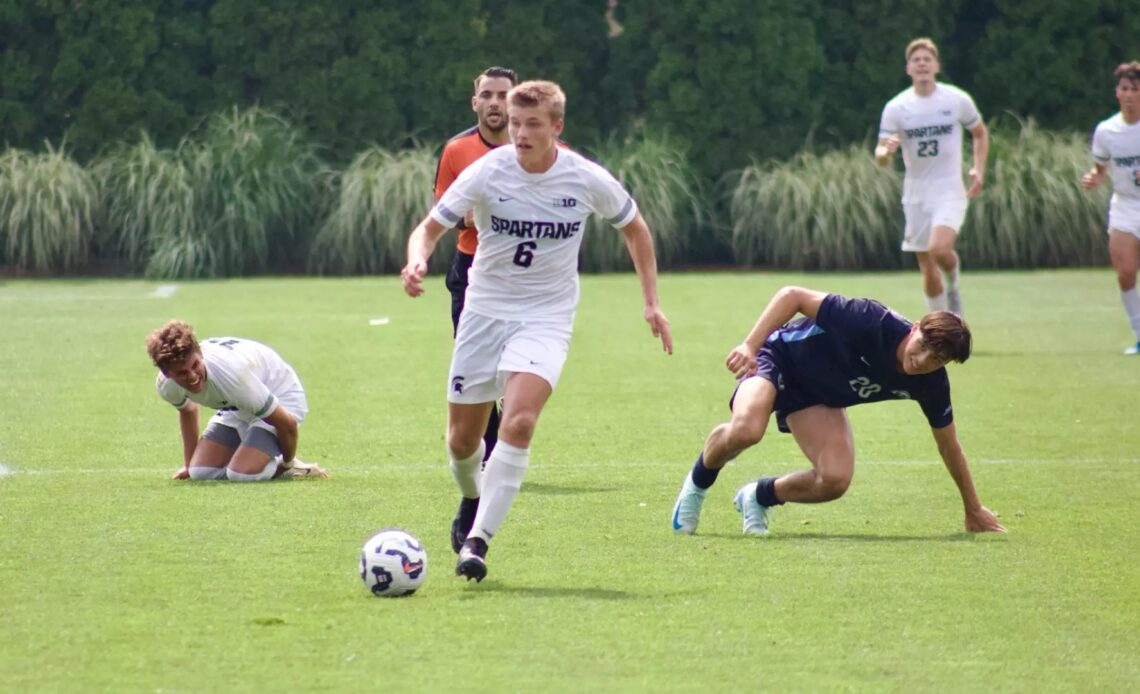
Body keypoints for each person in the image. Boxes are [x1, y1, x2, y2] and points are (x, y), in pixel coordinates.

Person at [402, 80, 673, 582]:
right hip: (484, 312)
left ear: (557, 128)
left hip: (546, 317)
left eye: (531, 124)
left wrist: (651, 303)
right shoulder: (487, 171)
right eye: (514, 121)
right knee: (462, 443)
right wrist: (417, 260)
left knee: (520, 423)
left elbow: (635, 228)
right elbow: (430, 227)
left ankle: (478, 542)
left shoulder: (585, 178)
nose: (519, 132)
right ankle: (471, 496)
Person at [670, 286, 1006, 536]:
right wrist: (750, 345)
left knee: (835, 480)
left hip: (815, 397)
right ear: (914, 328)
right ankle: (697, 485)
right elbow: (793, 296)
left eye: (936, 360)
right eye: (921, 348)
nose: (920, 362)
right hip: (779, 356)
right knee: (746, 431)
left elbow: (949, 445)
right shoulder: (870, 320)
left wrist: (973, 508)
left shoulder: (931, 383)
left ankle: (758, 496)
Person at [434, 66, 518, 551]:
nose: (495, 103)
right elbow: (443, 206)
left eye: (503, 95)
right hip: (470, 272)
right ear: (474, 103)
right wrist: (470, 210)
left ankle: (500, 446)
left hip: (520, 278)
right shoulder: (457, 150)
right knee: (477, 377)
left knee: (515, 376)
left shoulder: (533, 151)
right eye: (486, 95)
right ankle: (484, 463)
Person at [875, 37, 989, 316]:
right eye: (916, 60)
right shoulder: (896, 107)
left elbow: (979, 133)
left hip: (949, 188)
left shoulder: (956, 99)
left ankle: (954, 283)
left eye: (927, 59)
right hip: (915, 192)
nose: (922, 64)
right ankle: (942, 327)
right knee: (926, 265)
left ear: (936, 65)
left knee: (939, 248)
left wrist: (978, 169)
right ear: (908, 68)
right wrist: (886, 152)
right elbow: (879, 155)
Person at [146, 320, 327, 481]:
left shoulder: (231, 375)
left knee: (240, 474)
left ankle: (280, 463)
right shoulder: (166, 386)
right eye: (182, 373)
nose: (192, 376)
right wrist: (189, 466)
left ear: (200, 353)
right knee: (200, 472)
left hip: (282, 397)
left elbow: (287, 423)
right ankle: (254, 450)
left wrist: (288, 464)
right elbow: (188, 410)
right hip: (238, 405)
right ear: (166, 373)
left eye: (195, 365)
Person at [1082, 61, 1140, 354]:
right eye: (1125, 88)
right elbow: (1100, 168)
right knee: (1125, 272)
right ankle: (1139, 333)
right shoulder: (1107, 130)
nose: (1130, 94)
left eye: (1135, 89)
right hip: (1126, 205)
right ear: (1117, 92)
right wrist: (1094, 178)